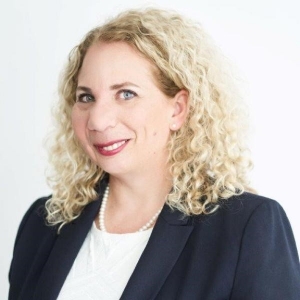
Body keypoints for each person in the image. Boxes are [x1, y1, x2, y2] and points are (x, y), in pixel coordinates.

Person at [8, 7, 300, 300]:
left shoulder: (247, 227)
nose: (97, 120)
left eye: (126, 94)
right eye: (86, 97)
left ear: (177, 109)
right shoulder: (44, 222)